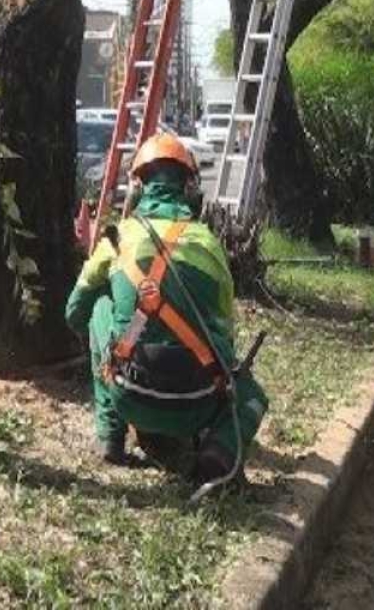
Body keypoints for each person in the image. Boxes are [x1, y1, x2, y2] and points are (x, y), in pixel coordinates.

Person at [64, 133, 269, 485]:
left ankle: (110, 436)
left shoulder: (117, 238)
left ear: (138, 188)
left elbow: (73, 314)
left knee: (100, 305)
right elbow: (225, 334)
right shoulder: (209, 245)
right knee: (253, 395)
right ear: (189, 189)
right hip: (197, 404)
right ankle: (219, 449)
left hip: (129, 394)